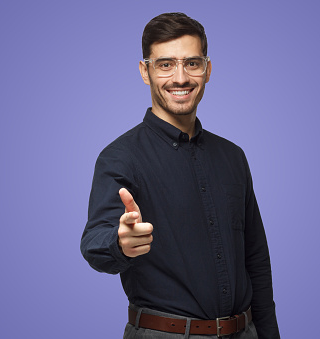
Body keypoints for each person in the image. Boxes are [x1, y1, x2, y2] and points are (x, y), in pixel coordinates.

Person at [81, 12, 280, 338]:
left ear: (208, 69)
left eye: (192, 63)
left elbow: (256, 260)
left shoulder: (233, 157)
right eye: (165, 64)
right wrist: (122, 243)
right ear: (145, 72)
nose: (180, 77)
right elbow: (94, 243)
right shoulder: (119, 157)